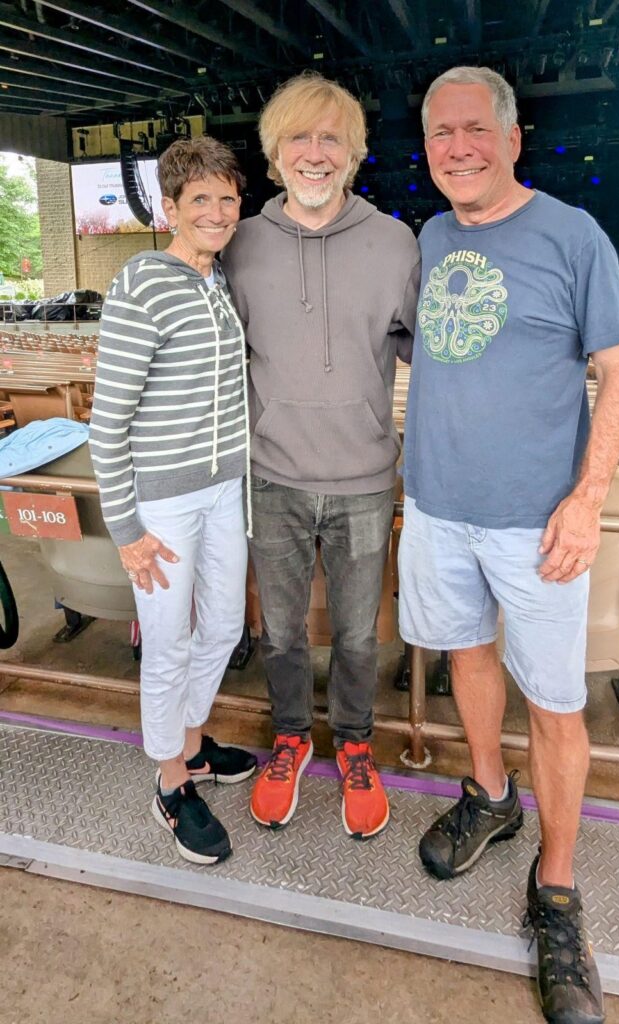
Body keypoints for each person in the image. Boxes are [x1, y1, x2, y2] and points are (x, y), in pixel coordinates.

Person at [399, 67, 619, 1024]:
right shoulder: (431, 236)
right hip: (439, 508)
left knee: (554, 703)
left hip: (538, 523)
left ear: (511, 139)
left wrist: (588, 499)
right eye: (440, 134)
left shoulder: (574, 236)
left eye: (474, 130)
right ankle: (492, 796)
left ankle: (559, 888)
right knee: (467, 656)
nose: (456, 148)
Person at [223, 72, 420, 840]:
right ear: (275, 153)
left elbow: (431, 352)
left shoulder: (395, 242)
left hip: (364, 480)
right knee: (279, 632)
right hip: (271, 476)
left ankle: (356, 743)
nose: (314, 153)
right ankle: (291, 738)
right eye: (298, 138)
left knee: (359, 635)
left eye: (330, 138)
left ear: (354, 152)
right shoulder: (241, 244)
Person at [89, 136, 257, 866]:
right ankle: (170, 782)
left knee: (221, 627)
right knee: (168, 643)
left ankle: (189, 744)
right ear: (170, 207)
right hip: (164, 504)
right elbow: (107, 423)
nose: (217, 212)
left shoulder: (220, 281)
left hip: (224, 493)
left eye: (227, 198)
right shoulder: (143, 281)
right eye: (200, 200)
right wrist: (127, 529)